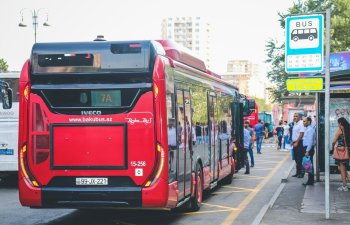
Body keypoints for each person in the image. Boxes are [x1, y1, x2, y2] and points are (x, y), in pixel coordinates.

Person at [331, 117, 350, 191]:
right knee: (342, 168)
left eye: (338, 123)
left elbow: (334, 141)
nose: (338, 125)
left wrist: (332, 147)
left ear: (340, 123)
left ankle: (344, 186)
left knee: (342, 168)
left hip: (341, 151)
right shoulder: (348, 129)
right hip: (348, 151)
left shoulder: (340, 130)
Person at [302, 117, 316, 185]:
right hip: (307, 148)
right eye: (303, 121)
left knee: (309, 165)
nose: (303, 123)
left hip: (309, 149)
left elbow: (310, 141)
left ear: (309, 122)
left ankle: (310, 181)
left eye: (304, 121)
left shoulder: (310, 129)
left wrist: (307, 151)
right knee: (308, 165)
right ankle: (310, 180)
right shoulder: (308, 129)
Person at [291, 113, 305, 178]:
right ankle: (297, 173)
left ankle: (301, 173)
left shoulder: (301, 123)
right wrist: (292, 141)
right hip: (295, 142)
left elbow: (301, 133)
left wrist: (297, 142)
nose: (295, 117)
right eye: (294, 116)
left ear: (299, 117)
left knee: (299, 159)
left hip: (299, 143)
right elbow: (295, 134)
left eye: (296, 116)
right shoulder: (295, 123)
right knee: (296, 158)